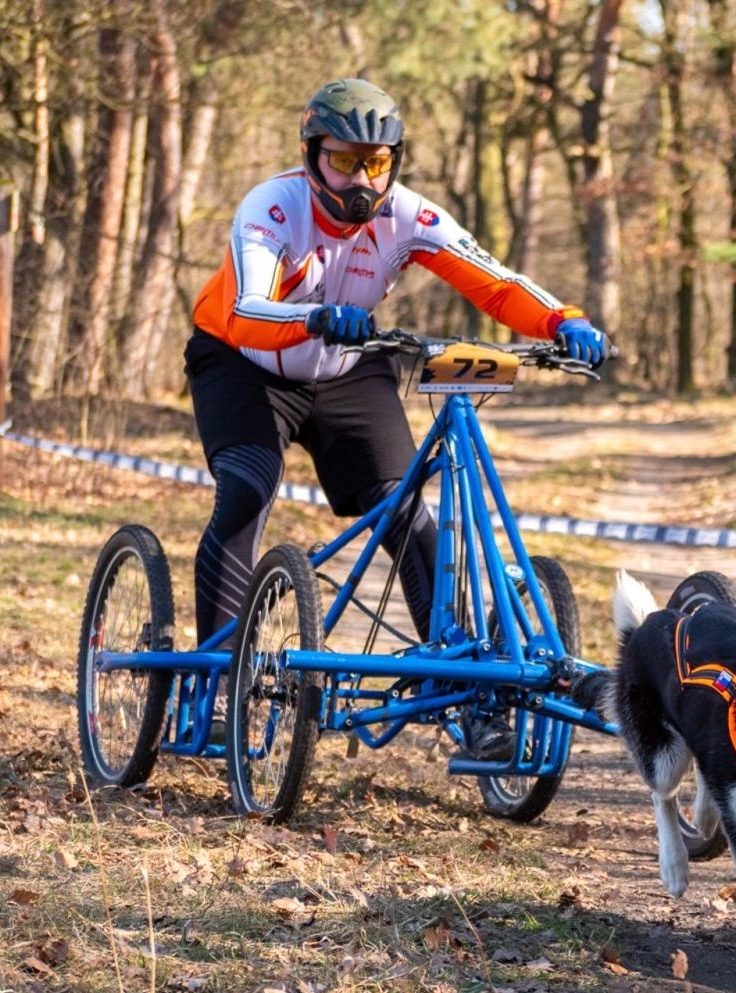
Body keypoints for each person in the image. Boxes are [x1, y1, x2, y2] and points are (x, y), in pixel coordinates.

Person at [186, 78, 608, 758]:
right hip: (245, 362)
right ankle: (209, 690)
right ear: (311, 154)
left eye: (377, 162)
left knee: (406, 509)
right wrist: (313, 317)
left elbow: (491, 280)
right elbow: (249, 309)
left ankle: (473, 706)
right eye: (346, 160)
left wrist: (563, 319)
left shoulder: (407, 216)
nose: (363, 177)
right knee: (247, 488)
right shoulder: (272, 207)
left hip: (351, 369)